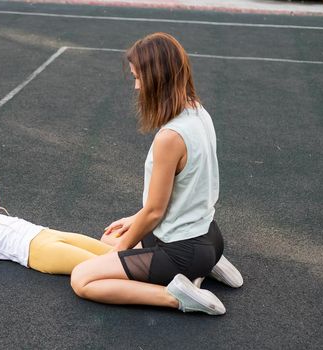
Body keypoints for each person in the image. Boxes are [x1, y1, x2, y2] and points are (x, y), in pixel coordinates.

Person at [70, 32, 243, 315]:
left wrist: (120, 251)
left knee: (83, 278)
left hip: (181, 253)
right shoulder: (198, 110)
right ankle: (210, 264)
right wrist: (131, 223)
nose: (137, 86)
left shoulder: (170, 137)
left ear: (157, 79)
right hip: (209, 237)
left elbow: (153, 212)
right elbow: (178, 194)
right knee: (108, 237)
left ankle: (178, 296)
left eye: (139, 78)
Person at [0, 175, 113, 275]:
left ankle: (141, 265)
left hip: (45, 233)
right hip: (37, 252)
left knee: (110, 252)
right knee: (103, 265)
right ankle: (141, 278)